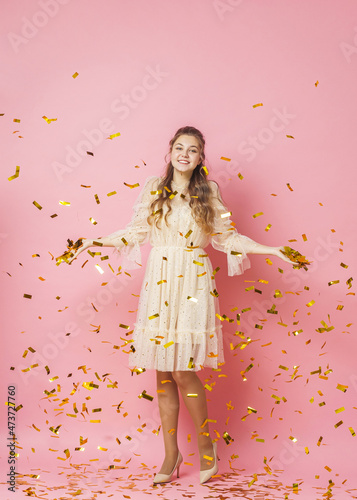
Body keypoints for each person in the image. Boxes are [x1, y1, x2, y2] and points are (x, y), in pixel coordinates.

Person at [63, 125, 296, 485]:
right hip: (160, 277)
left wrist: (272, 250)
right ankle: (171, 453)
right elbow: (135, 232)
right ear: (170, 151)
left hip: (193, 279)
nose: (185, 154)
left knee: (183, 368)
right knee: (162, 369)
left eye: (193, 150)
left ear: (201, 158)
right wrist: (92, 242)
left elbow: (226, 237)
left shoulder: (209, 191)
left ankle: (206, 445)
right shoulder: (153, 189)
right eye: (180, 147)